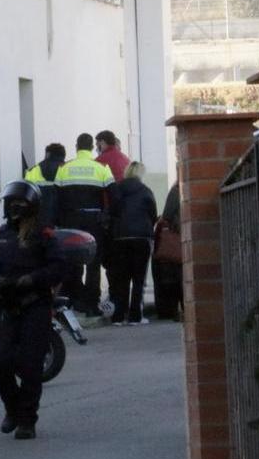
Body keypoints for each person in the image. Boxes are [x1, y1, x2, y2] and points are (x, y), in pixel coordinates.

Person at [0, 181, 69, 440]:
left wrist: (34, 279)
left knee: (30, 365)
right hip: (5, 305)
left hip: (34, 305)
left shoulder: (44, 235)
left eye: (20, 204)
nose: (14, 208)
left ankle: (27, 419)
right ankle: (13, 408)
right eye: (11, 203)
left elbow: (59, 266)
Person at [54, 134, 115, 317]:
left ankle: (74, 301)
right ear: (91, 147)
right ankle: (92, 304)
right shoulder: (102, 168)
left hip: (71, 221)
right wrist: (106, 216)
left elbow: (56, 198)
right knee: (93, 264)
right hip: (94, 221)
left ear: (76, 146)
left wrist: (60, 222)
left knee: (73, 262)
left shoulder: (64, 169)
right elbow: (114, 196)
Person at [106, 162, 158, 325]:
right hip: (141, 238)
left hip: (120, 238)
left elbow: (112, 212)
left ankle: (118, 316)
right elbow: (153, 214)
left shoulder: (117, 190)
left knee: (121, 279)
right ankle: (135, 316)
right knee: (138, 279)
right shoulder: (146, 191)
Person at [152, 182, 183, 321]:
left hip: (170, 256)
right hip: (184, 253)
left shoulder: (176, 191)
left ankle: (170, 312)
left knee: (169, 281)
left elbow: (167, 215)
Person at [24, 143, 66, 228]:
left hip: (38, 223)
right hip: (63, 221)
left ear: (47, 154)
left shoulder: (32, 171)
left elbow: (26, 199)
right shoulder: (67, 170)